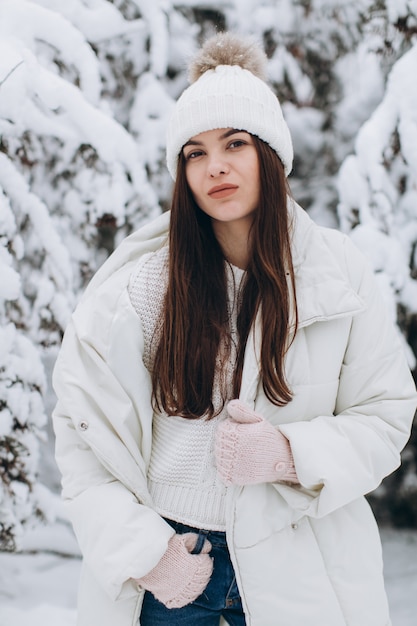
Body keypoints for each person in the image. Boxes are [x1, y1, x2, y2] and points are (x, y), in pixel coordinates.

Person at [52, 32, 417, 626]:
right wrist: (146, 554)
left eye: (235, 143)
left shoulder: (336, 273)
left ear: (270, 154)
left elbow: (385, 413)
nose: (215, 165)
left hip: (298, 564)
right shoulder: (143, 287)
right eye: (194, 152)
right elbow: (83, 433)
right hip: (171, 569)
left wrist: (289, 453)